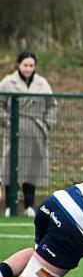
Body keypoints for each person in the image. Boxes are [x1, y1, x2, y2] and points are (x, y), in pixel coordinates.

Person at [1, 51, 58, 217]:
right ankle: (10, 206)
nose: (28, 68)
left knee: (32, 169)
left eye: (31, 65)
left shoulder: (42, 83)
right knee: (10, 167)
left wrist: (46, 124)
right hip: (15, 131)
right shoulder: (7, 82)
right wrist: (8, 122)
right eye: (25, 65)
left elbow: (52, 105)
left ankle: (29, 206)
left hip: (36, 132)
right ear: (18, 65)